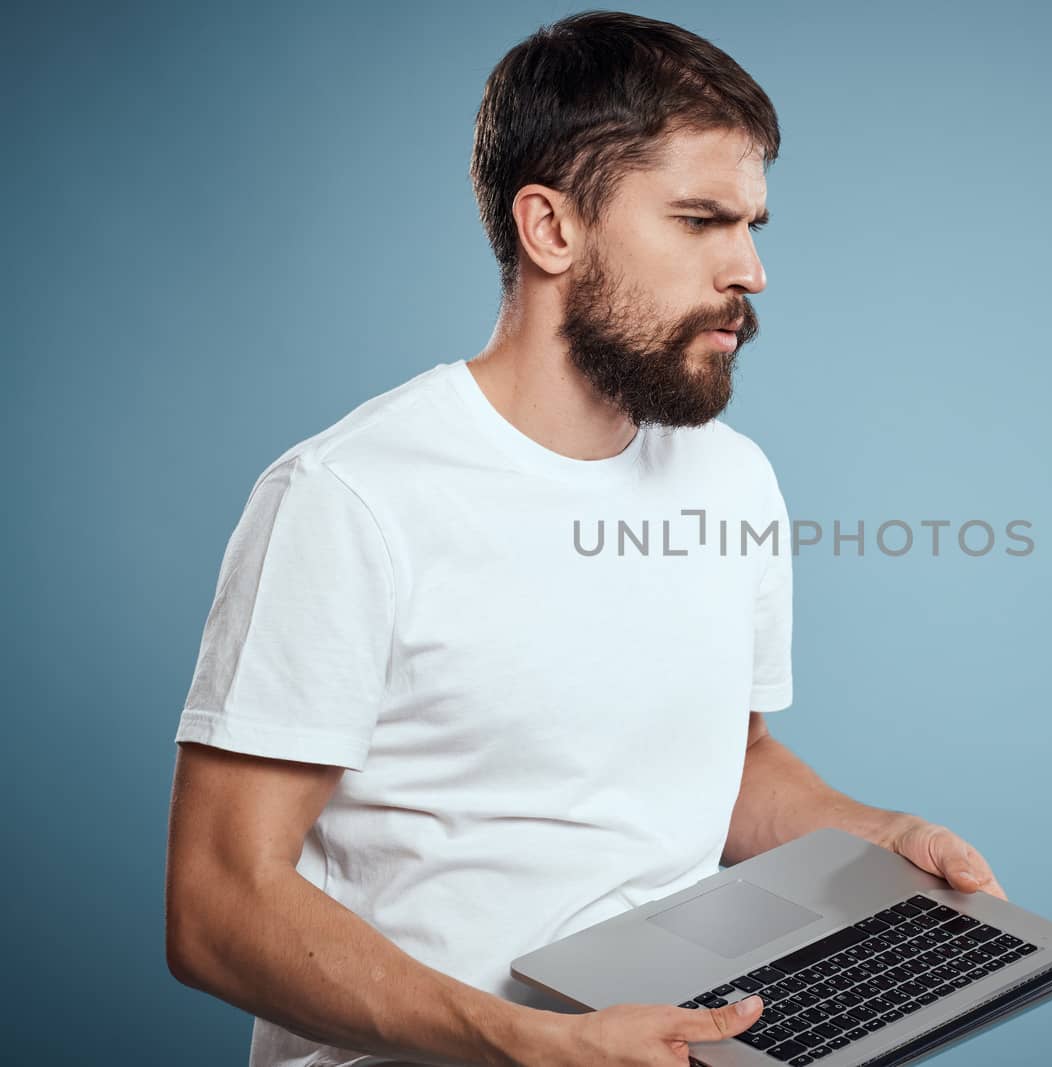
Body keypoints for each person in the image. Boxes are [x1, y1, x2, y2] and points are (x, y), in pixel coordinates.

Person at [164, 11, 1008, 1067]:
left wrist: (873, 838)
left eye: (753, 225)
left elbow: (724, 757)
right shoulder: (349, 498)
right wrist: (532, 1040)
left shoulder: (731, 476)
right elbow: (214, 906)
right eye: (701, 220)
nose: (749, 270)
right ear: (550, 229)